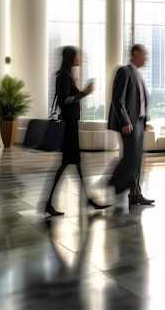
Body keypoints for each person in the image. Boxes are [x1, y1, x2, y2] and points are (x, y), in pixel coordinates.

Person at [45, 46, 110, 216]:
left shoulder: (66, 75)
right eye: (77, 55)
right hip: (68, 127)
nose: (79, 58)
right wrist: (84, 93)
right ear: (71, 57)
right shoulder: (65, 76)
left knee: (74, 163)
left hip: (71, 126)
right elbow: (64, 100)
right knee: (67, 163)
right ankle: (49, 202)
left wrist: (81, 93)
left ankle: (87, 199)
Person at [108, 44, 154, 206]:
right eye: (144, 54)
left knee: (137, 159)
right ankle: (112, 182)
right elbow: (117, 99)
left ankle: (135, 194)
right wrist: (125, 121)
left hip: (140, 122)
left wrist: (144, 121)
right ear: (135, 53)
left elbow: (139, 101)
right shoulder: (124, 71)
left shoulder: (138, 74)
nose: (146, 57)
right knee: (131, 158)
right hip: (130, 123)